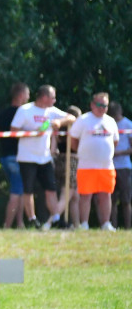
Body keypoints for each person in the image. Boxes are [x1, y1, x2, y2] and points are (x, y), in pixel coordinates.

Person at [11, 85, 68, 229]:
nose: (55, 101)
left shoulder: (52, 111)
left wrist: (60, 122)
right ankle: (32, 220)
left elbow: (72, 117)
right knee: (28, 190)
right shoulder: (25, 110)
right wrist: (31, 133)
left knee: (51, 189)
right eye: (52, 97)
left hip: (45, 158)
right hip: (27, 157)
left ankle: (55, 218)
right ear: (44, 97)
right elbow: (13, 131)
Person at [70, 92, 119, 230]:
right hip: (86, 165)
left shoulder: (110, 121)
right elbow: (73, 140)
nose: (101, 108)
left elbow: (115, 142)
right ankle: (84, 224)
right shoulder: (83, 120)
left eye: (105, 105)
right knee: (85, 195)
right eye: (99, 104)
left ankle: (105, 224)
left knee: (106, 195)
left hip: (106, 166)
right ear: (92, 105)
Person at [0, 82, 30, 229]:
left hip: (5, 158)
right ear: (22, 95)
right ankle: (7, 225)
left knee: (20, 190)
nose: (29, 98)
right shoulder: (24, 114)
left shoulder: (2, 114)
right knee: (16, 193)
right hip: (18, 158)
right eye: (28, 95)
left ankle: (20, 223)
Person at [110, 101, 131, 229]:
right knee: (111, 201)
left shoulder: (128, 125)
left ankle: (128, 227)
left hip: (125, 167)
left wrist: (119, 152)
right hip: (110, 167)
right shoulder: (109, 124)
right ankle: (113, 226)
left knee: (126, 200)